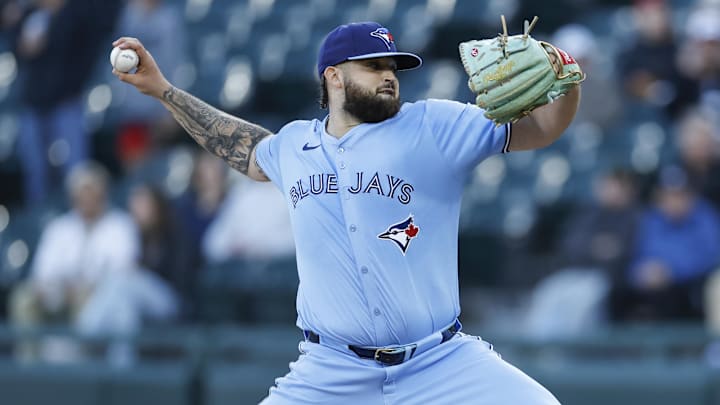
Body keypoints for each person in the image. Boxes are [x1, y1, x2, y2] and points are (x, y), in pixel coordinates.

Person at [113, 20, 580, 404]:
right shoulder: (294, 145)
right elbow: (240, 145)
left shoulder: (434, 125)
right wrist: (163, 91)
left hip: (439, 363)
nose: (389, 74)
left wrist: (565, 81)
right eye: (373, 66)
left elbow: (542, 130)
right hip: (330, 372)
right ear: (333, 76)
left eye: (394, 66)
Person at [8, 161, 139, 363]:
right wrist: (55, 288)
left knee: (88, 300)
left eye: (91, 191)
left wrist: (83, 287)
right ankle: (28, 366)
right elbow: (42, 271)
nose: (86, 197)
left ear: (102, 193)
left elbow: (122, 271)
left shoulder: (120, 224)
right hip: (58, 291)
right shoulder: (59, 227)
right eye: (81, 192)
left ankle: (80, 374)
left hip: (96, 293)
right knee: (23, 298)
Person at [611, 165, 720, 322]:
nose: (674, 201)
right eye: (668, 196)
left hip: (686, 282)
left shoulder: (705, 217)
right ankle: (618, 345)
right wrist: (639, 271)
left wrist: (672, 272)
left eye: (679, 195)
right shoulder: (651, 218)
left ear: (690, 196)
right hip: (651, 279)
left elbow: (711, 256)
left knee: (673, 296)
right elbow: (636, 253)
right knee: (617, 292)